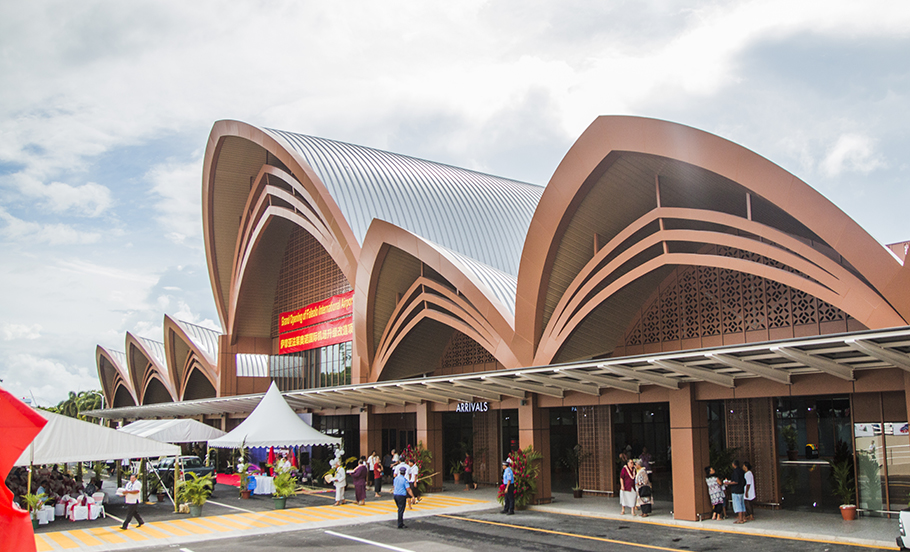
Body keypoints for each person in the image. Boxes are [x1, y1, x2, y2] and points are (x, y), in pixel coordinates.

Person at [724, 460, 746, 524]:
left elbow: (736, 481)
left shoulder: (735, 472)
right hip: (741, 489)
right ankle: (744, 517)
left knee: (738, 504)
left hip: (736, 490)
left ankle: (740, 519)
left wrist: (729, 483)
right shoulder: (742, 471)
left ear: (733, 465)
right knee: (742, 504)